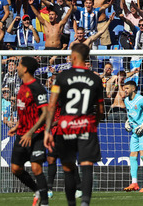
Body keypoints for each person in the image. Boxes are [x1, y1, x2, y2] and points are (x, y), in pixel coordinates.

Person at [44, 43, 104, 206]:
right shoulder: (95, 79)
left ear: (75, 57)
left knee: (68, 167)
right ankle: (85, 202)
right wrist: (94, 123)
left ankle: (71, 203)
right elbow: (100, 109)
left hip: (66, 127)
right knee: (86, 166)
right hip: (87, 126)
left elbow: (51, 105)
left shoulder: (61, 77)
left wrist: (48, 130)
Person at [8, 56, 50, 206]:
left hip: (36, 134)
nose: (17, 67)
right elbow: (25, 112)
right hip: (22, 134)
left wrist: (31, 132)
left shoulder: (37, 87)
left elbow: (45, 113)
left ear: (25, 68)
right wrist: (17, 126)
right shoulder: (22, 87)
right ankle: (37, 190)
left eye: (19, 65)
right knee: (15, 169)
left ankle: (44, 203)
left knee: (36, 167)